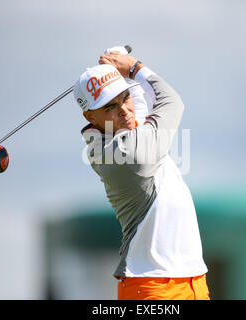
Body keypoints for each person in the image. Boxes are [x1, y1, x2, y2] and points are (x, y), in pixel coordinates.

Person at [73, 48, 209, 300]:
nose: (124, 110)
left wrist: (118, 70)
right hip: (152, 289)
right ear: (90, 116)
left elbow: (138, 103)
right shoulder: (125, 153)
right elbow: (171, 102)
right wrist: (133, 67)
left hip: (194, 281)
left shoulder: (118, 131)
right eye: (110, 107)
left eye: (123, 98)